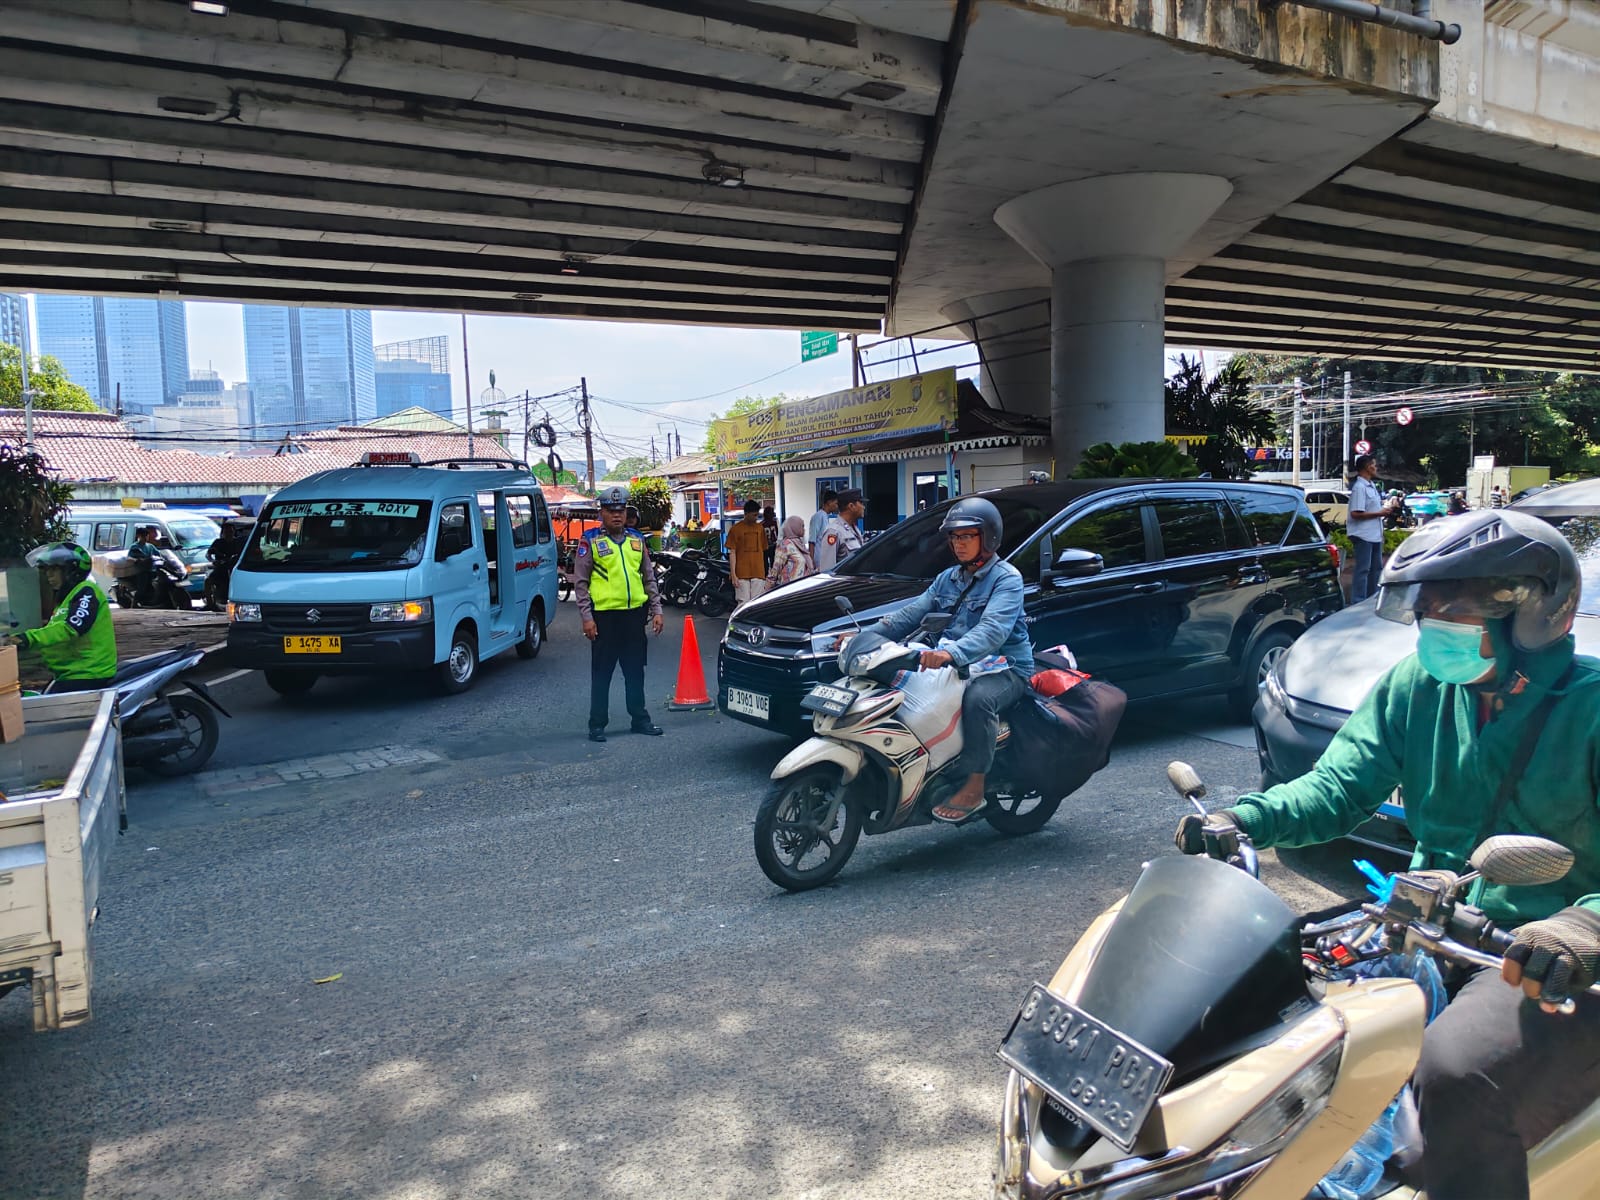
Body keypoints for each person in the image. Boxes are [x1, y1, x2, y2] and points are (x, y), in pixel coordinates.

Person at [1174, 510, 1600, 1200]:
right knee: (1266, 1022)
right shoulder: (1421, 687)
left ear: (1534, 611)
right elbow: (1340, 787)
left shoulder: (1593, 709)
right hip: (1430, 928)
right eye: (1426, 608)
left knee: (1456, 1073)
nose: (1432, 622)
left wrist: (1584, 926)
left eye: (1451, 607)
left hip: (1546, 960)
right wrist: (1246, 818)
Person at [872, 497, 1033, 823]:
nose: (958, 545)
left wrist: (950, 653)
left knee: (978, 700)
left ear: (988, 537)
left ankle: (974, 785)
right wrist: (865, 636)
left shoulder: (1007, 579)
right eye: (954, 538)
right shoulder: (948, 578)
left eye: (967, 536)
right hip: (956, 664)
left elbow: (992, 631)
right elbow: (909, 614)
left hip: (1006, 668)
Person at [572, 485, 665, 743]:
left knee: (635, 671)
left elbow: (649, 578)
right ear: (601, 512)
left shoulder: (637, 540)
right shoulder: (590, 540)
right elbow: (580, 583)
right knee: (602, 673)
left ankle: (640, 719)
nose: (616, 515)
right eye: (611, 510)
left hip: (634, 617)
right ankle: (597, 724)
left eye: (621, 510)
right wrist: (587, 617)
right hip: (605, 618)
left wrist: (656, 610)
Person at [1, 542, 117, 691]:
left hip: (86, 674)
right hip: (69, 673)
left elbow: (70, 628)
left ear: (72, 570)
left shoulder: (86, 591)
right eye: (47, 569)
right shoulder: (67, 598)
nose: (49, 575)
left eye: (54, 569)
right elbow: (54, 632)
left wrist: (26, 639)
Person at [1346, 454, 1393, 603]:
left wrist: (1382, 513)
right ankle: (1358, 600)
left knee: (1376, 569)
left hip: (1374, 535)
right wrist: (1379, 513)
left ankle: (1373, 599)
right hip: (1362, 535)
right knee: (1363, 569)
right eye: (1374, 464)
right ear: (1368, 467)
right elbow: (1355, 513)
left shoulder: (1371, 485)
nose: (1376, 467)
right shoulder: (1359, 487)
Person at [726, 499, 770, 605]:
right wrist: (733, 574)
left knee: (756, 603)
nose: (756, 518)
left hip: (758, 573)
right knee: (743, 603)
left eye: (757, 515)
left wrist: (766, 572)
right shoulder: (735, 529)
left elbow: (764, 552)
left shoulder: (760, 528)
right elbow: (732, 553)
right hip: (741, 574)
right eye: (754, 515)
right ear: (746, 513)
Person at [815, 488, 864, 572]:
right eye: (861, 503)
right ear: (851, 506)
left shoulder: (854, 529)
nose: (864, 507)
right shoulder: (833, 531)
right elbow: (827, 569)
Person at [767, 515, 814, 588]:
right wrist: (768, 587)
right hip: (790, 589)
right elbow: (776, 568)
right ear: (795, 527)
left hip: (804, 588)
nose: (804, 529)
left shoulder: (800, 544)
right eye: (802, 526)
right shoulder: (785, 545)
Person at [808, 489, 838, 560]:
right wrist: (811, 561)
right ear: (829, 502)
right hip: (818, 559)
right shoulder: (818, 516)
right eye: (836, 503)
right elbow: (812, 540)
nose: (837, 506)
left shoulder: (825, 516)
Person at [761, 505, 778, 574]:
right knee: (773, 562)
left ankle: (766, 575)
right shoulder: (774, 522)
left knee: (765, 563)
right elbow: (776, 533)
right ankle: (773, 575)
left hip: (765, 546)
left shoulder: (761, 524)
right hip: (772, 545)